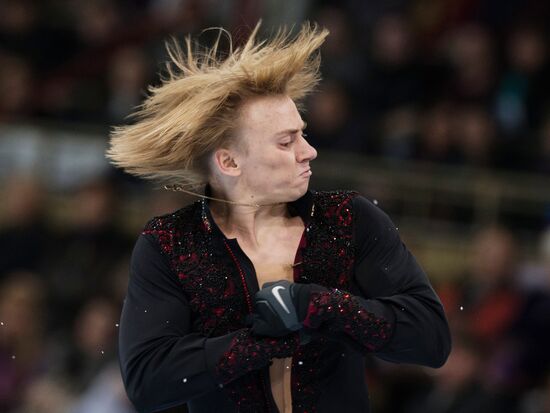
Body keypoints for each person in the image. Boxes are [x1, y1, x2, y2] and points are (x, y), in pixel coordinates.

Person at [107, 23, 451, 413]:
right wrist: (259, 342)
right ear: (229, 161)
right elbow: (147, 380)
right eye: (286, 142)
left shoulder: (348, 220)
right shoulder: (171, 243)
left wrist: (319, 305)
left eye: (302, 135)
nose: (309, 151)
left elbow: (431, 339)